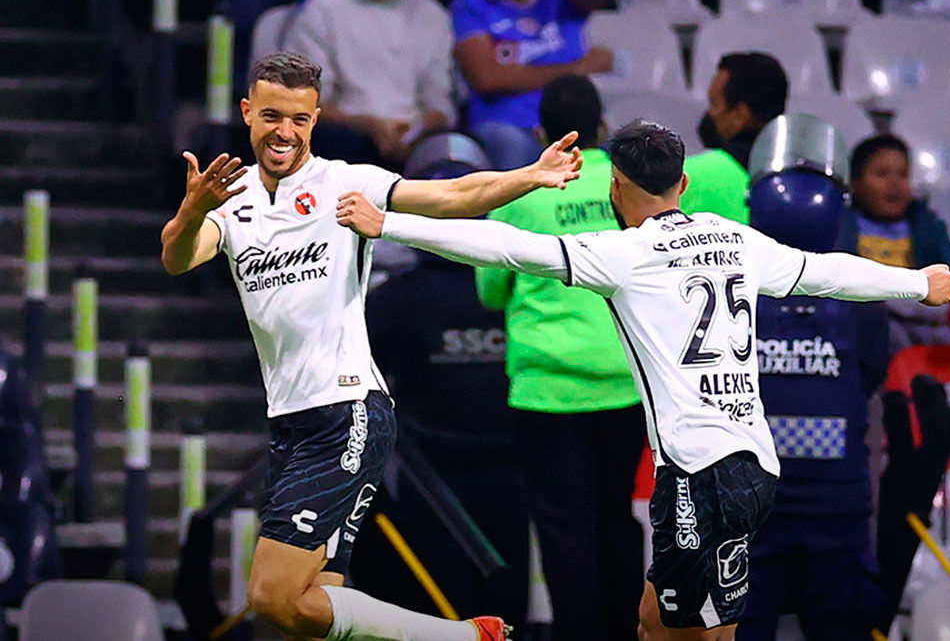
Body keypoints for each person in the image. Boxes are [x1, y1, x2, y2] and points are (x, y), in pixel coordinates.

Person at [336, 120, 950, 640]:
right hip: (756, 467)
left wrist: (388, 223)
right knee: (671, 622)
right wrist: (916, 283)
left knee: (681, 630)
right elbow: (829, 272)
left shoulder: (622, 253)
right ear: (683, 184)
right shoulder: (737, 239)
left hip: (696, 474)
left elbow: (501, 246)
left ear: (616, 186)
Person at [159, 51, 583, 641]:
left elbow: (454, 196)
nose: (286, 132)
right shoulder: (227, 198)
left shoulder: (344, 181)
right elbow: (179, 258)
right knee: (311, 609)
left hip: (346, 413)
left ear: (316, 119)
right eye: (273, 116)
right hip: (290, 422)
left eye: (300, 120)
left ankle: (461, 637)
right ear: (247, 112)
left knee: (269, 594)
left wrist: (526, 176)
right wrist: (192, 209)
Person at [476, 75, 645, 641]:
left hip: (548, 392)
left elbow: (490, 291)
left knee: (565, 532)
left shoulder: (522, 192)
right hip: (626, 384)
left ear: (539, 132)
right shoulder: (631, 187)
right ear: (603, 130)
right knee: (617, 520)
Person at [737, 118, 891, 641]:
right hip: (836, 506)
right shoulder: (861, 296)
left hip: (751, 504)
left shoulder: (732, 294)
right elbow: (868, 377)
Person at [367, 249, 530, 632]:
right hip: (510, 462)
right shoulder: (516, 287)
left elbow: (362, 373)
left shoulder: (394, 297)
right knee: (508, 593)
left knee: (437, 598)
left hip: (427, 470)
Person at [286, 0, 456, 167]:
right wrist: (369, 126)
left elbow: (440, 103)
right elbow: (307, 102)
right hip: (344, 138)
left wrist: (416, 130)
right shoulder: (322, 8)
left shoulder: (431, 13)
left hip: (417, 140)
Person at [451, 0, 614, 170]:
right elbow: (485, 78)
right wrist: (576, 69)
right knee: (512, 147)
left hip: (573, 122)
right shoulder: (471, 5)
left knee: (619, 150)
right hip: (507, 125)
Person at [836, 134, 950, 350]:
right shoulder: (840, 226)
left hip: (923, 316)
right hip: (863, 318)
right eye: (881, 174)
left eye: (903, 175)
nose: (894, 184)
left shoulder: (927, 226)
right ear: (855, 183)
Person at [681, 52, 788, 224]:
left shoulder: (687, 178)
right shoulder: (804, 185)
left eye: (714, 104)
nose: (709, 114)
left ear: (740, 115)